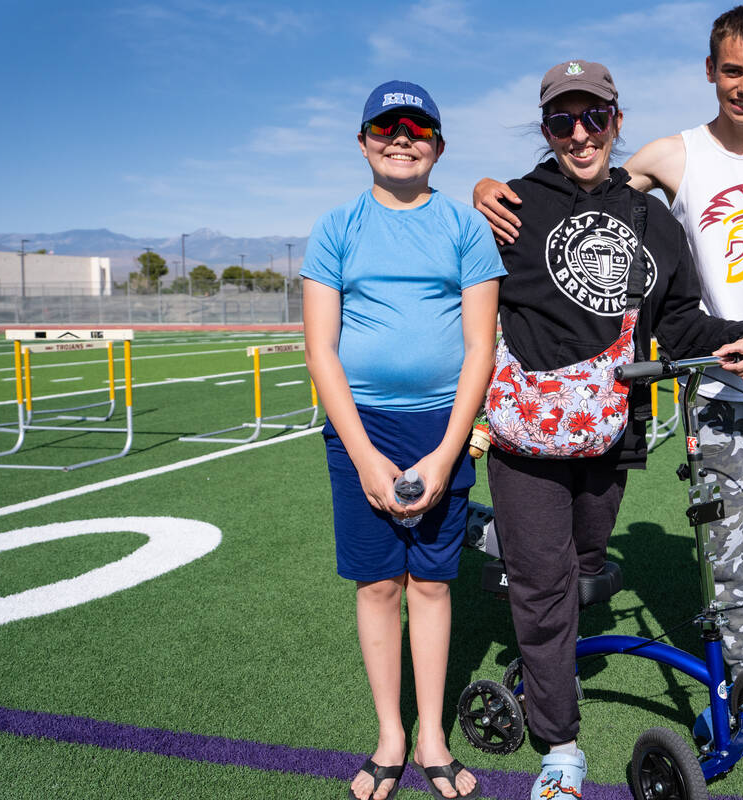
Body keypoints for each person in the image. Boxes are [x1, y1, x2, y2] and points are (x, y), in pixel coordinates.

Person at [474, 6, 743, 793]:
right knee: (725, 566)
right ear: (710, 70)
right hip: (715, 396)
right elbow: (587, 203)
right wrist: (485, 188)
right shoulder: (670, 157)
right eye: (732, 70)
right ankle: (737, 697)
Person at [485, 60, 743, 800]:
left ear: (617, 120)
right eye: (562, 120)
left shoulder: (652, 219)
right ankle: (561, 747)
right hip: (526, 432)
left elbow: (678, 320)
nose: (580, 134)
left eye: (595, 117)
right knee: (544, 584)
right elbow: (458, 287)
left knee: (584, 560)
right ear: (546, 128)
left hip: (616, 425)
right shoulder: (511, 204)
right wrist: (474, 194)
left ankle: (511, 551)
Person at [302, 80, 505, 800]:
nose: (401, 139)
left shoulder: (464, 227)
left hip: (441, 425)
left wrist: (447, 454)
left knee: (433, 584)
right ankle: (391, 733)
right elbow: (322, 350)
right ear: (362, 143)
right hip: (362, 427)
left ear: (438, 147)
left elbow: (481, 347)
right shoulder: (335, 228)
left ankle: (432, 736)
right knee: (381, 583)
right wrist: (363, 456)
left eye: (417, 129)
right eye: (386, 127)